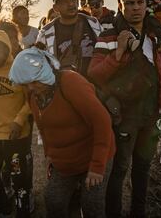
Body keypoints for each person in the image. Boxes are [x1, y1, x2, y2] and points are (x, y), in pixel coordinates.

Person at [88, 0, 161, 218]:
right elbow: (94, 75)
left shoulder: (156, 38)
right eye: (129, 3)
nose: (135, 7)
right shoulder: (109, 36)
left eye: (140, 2)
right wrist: (118, 54)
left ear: (145, 4)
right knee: (119, 170)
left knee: (143, 168)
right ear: (121, 6)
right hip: (122, 118)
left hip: (151, 117)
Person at [8, 47, 115, 218]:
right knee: (53, 200)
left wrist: (96, 167)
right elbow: (44, 129)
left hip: (93, 156)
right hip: (65, 161)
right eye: (26, 84)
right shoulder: (34, 95)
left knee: (91, 205)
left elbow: (102, 122)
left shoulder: (70, 82)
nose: (31, 88)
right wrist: (49, 154)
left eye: (35, 81)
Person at [0, 30, 33, 217]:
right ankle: (4, 209)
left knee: (20, 181)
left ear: (6, 50)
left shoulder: (20, 69)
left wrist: (19, 121)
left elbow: (31, 100)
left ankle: (23, 212)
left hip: (17, 136)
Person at [36, 0, 103, 78]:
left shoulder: (93, 23)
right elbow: (40, 64)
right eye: (65, 2)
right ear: (56, 8)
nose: (71, 4)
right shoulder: (45, 33)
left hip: (96, 82)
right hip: (66, 86)